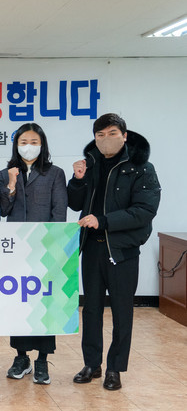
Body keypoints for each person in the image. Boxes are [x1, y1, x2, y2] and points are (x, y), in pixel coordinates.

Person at [68, 113, 160, 391]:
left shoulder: (141, 168)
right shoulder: (91, 164)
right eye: (100, 135)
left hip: (122, 250)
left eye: (112, 133)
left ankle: (114, 368)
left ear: (124, 135)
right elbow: (75, 204)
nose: (105, 139)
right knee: (91, 309)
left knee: (121, 312)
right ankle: (91, 364)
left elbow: (144, 211)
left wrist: (104, 221)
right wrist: (78, 180)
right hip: (92, 248)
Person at [0, 123, 67, 385]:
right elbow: (3, 210)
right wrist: (12, 185)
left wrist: (52, 245)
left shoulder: (55, 173)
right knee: (20, 303)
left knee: (45, 304)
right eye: (23, 141)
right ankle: (21, 357)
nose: (28, 146)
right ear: (16, 145)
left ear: (42, 144)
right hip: (16, 249)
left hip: (45, 247)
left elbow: (59, 211)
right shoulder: (5, 173)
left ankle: (42, 360)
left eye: (34, 141)